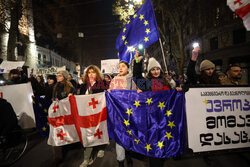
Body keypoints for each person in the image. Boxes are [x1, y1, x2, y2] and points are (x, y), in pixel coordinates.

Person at [108, 61, 136, 167]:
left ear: (128, 69)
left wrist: (138, 91)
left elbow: (138, 93)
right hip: (118, 113)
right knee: (119, 136)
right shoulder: (114, 80)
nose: (120, 68)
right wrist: (109, 92)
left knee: (129, 134)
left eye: (123, 66)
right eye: (119, 67)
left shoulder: (132, 79)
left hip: (129, 113)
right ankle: (120, 161)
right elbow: (111, 95)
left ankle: (129, 155)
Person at [79, 65, 107, 167]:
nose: (91, 74)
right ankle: (87, 158)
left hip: (98, 114)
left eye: (93, 72)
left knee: (99, 131)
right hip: (86, 114)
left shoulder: (102, 84)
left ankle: (101, 147)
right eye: (89, 72)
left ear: (97, 74)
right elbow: (79, 98)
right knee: (88, 134)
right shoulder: (83, 86)